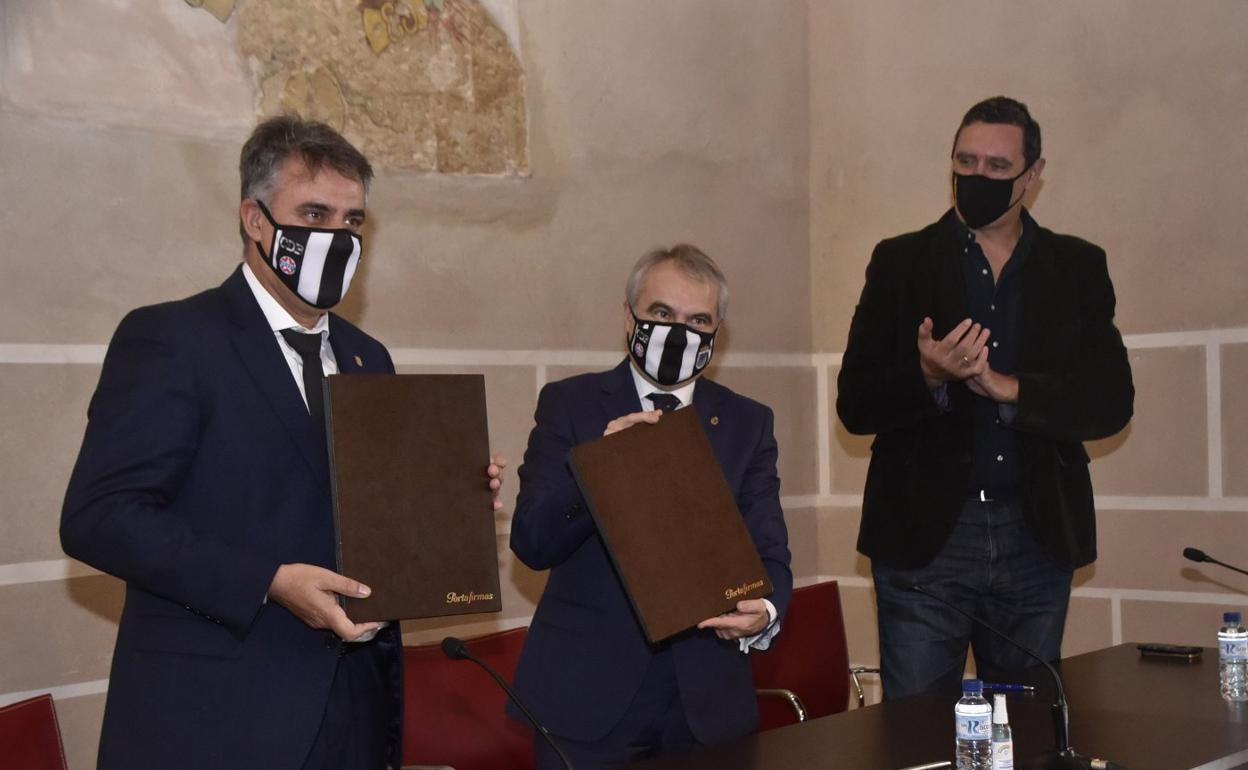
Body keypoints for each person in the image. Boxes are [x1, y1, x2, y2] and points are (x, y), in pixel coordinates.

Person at [60, 116, 505, 770]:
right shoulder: (173, 340)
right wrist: (268, 581)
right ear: (256, 219)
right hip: (213, 718)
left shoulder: (366, 357)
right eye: (315, 213)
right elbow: (99, 518)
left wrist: (448, 504)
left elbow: (363, 517)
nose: (337, 237)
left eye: (353, 222)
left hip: (352, 711)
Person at [836, 96, 1134, 699]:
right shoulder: (899, 262)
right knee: (916, 738)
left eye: (998, 168)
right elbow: (855, 403)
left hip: (1036, 533)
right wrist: (929, 375)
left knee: (1026, 729)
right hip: (925, 541)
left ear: (1033, 175)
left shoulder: (1077, 266)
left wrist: (1013, 390)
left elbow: (1110, 401)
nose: (978, 178)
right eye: (965, 162)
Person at [509, 244, 792, 770]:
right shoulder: (570, 405)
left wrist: (766, 611)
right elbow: (532, 541)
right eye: (662, 314)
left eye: (698, 320)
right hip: (587, 698)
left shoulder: (747, 424)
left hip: (706, 705)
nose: (678, 332)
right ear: (629, 316)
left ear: (716, 335)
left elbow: (769, 547)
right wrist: (601, 466)